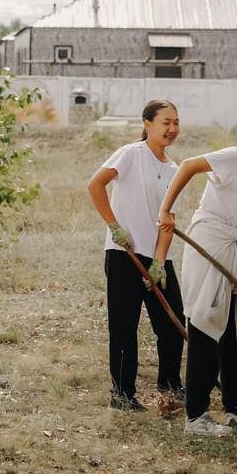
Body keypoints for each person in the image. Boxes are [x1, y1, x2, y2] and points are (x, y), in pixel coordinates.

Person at [153, 113, 237, 437]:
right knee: (205, 321)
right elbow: (188, 165)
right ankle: (196, 417)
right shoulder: (235, 158)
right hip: (211, 243)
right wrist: (165, 210)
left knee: (235, 329)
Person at [87, 100, 187, 412]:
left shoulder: (174, 169)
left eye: (176, 123)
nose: (171, 129)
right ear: (147, 124)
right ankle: (122, 395)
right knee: (124, 328)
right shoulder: (131, 154)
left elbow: (168, 219)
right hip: (123, 253)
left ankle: (169, 385)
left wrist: (159, 261)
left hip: (154, 256)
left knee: (172, 325)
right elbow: (95, 185)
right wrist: (114, 225)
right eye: (165, 122)